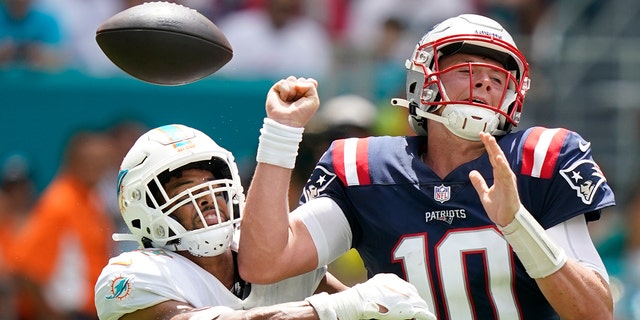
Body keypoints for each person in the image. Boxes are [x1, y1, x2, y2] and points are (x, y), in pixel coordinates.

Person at [237, 14, 616, 319]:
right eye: (468, 68)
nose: (484, 81)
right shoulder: (365, 168)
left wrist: (519, 224)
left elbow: (596, 312)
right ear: (424, 81)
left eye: (498, 75)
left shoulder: (542, 158)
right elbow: (265, 263)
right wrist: (281, 134)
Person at [94, 124, 434, 320]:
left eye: (212, 184)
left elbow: (360, 312)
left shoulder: (270, 256)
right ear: (143, 205)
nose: (205, 198)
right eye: (184, 187)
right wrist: (327, 310)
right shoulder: (132, 274)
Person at [9, 130, 116, 319]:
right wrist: (51, 315)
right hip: (70, 313)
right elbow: (26, 268)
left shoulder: (92, 199)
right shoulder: (60, 202)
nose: (98, 165)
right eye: (90, 159)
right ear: (72, 159)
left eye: (103, 159)